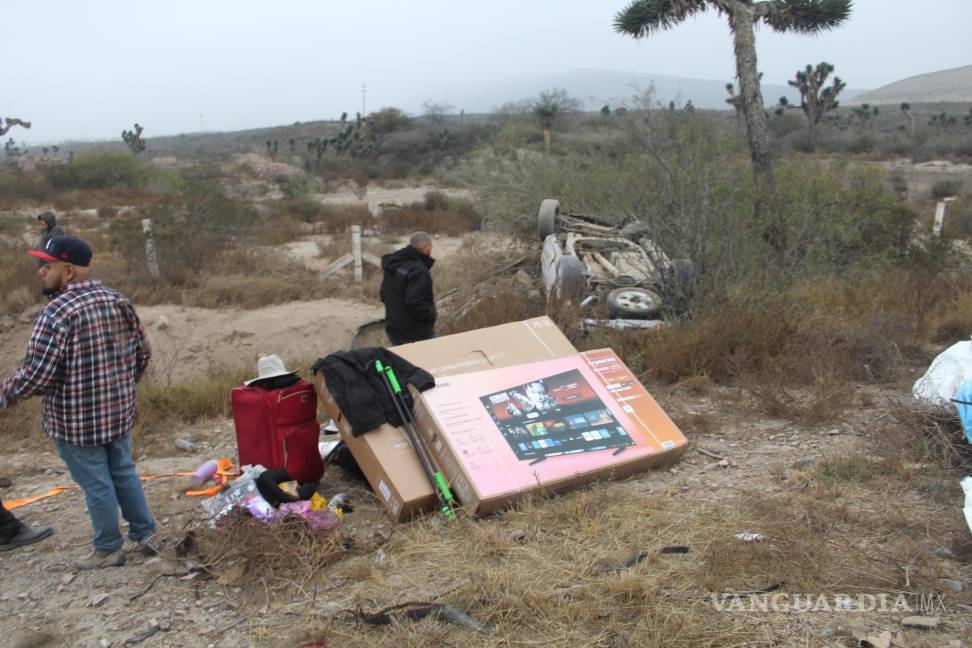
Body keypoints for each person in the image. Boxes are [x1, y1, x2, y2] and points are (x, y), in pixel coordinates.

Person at [0, 235, 157, 570]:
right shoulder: (116, 299)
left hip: (75, 422)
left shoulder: (55, 313)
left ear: (68, 271)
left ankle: (108, 549)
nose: (41, 271)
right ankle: (146, 536)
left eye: (48, 265)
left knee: (97, 483)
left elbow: (37, 375)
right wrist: (123, 389)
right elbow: (143, 353)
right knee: (124, 472)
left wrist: (6, 393)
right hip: (117, 413)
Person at [379, 231, 437, 345]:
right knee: (437, 356)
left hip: (393, 328)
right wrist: (430, 315)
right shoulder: (418, 269)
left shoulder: (394, 262)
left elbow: (383, 294)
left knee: (401, 361)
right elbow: (416, 303)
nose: (431, 250)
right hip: (415, 333)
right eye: (430, 247)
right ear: (425, 246)